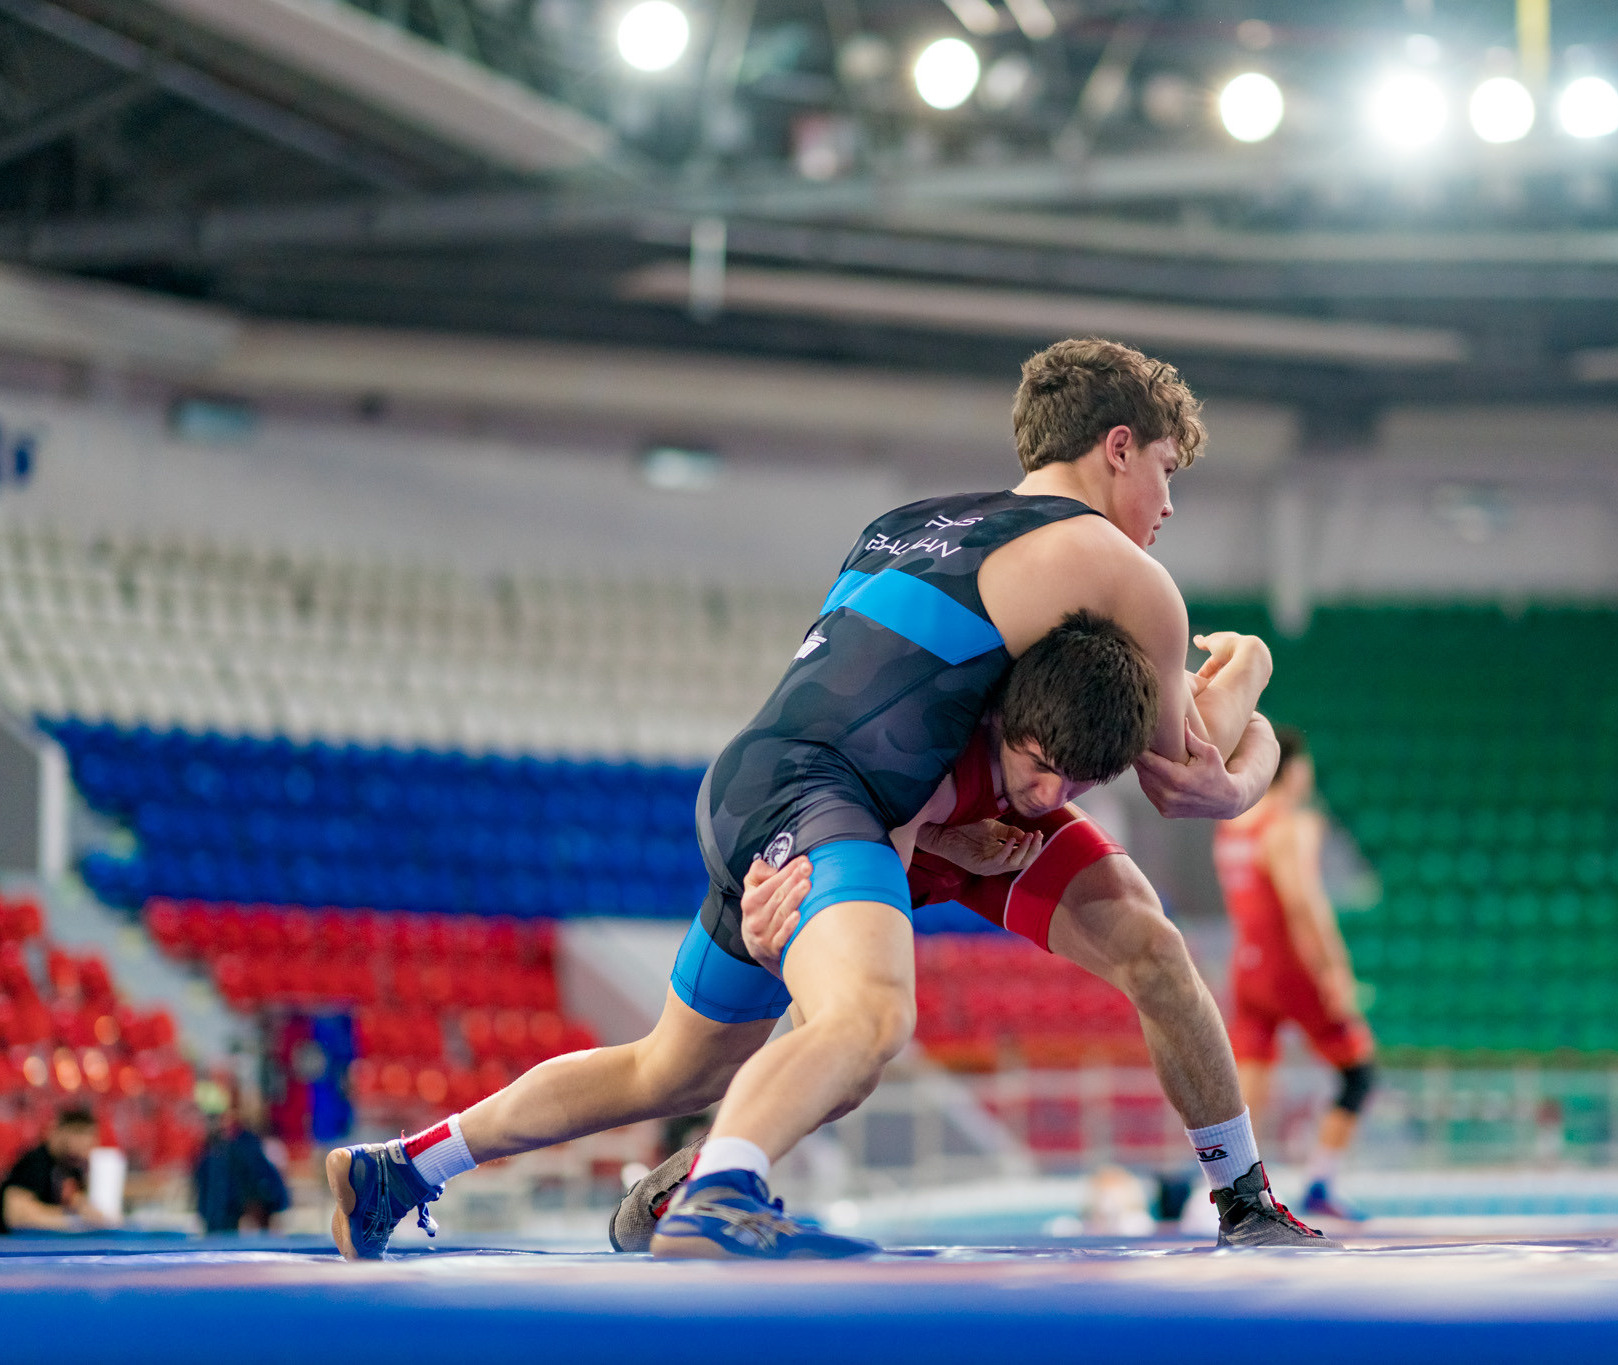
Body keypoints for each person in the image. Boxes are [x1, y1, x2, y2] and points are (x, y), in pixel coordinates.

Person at [329, 341, 1313, 1259]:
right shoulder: (1118, 569)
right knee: (868, 1020)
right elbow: (1189, 777)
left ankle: (402, 1169)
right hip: (841, 804)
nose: (1168, 505)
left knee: (670, 1067)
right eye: (1167, 470)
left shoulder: (902, 524)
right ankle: (720, 1190)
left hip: (812, 792)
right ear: (1115, 448)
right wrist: (1257, 687)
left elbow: (876, 688)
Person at [610, 618, 1287, 1250]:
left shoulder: (1103, 662)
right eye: (1163, 479)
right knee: (844, 1056)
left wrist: (1255, 673)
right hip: (874, 824)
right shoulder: (1023, 598)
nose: (1166, 508)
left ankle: (1244, 1198)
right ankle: (704, 1172)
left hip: (1000, 820)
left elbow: (1215, 749)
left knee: (1157, 948)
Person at [1213, 725, 1375, 1221]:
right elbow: (1304, 904)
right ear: (1294, 769)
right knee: (1359, 1072)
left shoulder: (1231, 829)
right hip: (1290, 971)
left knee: (1249, 1092)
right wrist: (1337, 970)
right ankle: (1321, 1182)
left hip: (1248, 969)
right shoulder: (1288, 826)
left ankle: (1229, 1193)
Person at [0, 1108, 110, 1234]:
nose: (85, 1144)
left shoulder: (71, 1167)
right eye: (79, 1133)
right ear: (58, 1131)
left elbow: (79, 1204)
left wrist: (89, 1213)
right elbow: (17, 1215)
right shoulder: (36, 1162)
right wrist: (72, 1218)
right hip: (0, 1246)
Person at [191, 1086, 292, 1234]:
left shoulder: (248, 1145)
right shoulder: (211, 1151)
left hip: (245, 1224)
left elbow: (266, 1187)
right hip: (218, 1224)